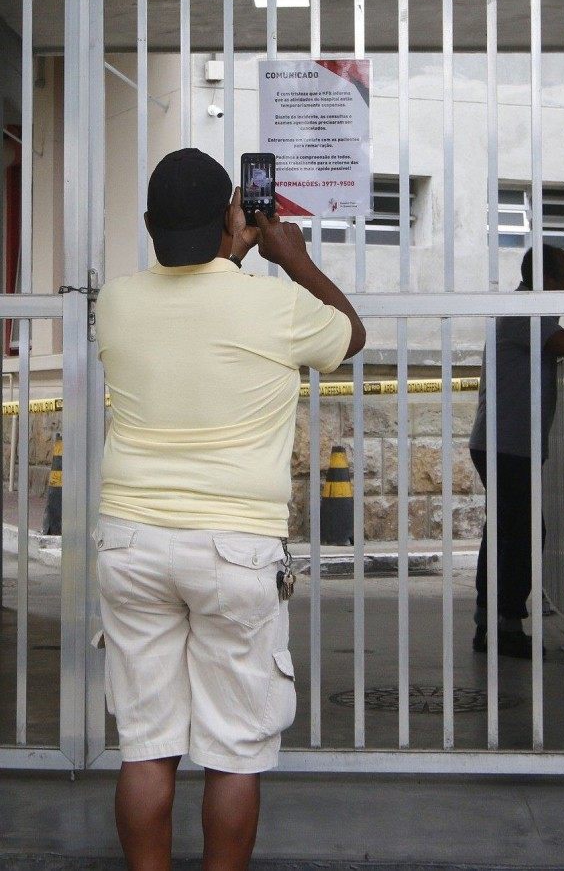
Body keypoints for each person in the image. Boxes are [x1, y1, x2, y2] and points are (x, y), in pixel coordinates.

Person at [93, 148, 365, 871]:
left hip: (131, 543)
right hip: (232, 549)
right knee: (233, 751)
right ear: (231, 215)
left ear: (148, 224)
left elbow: (190, 318)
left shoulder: (114, 303)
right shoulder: (272, 305)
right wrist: (291, 256)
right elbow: (349, 334)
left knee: (147, 746)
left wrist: (222, 256)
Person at [468, 243, 564, 659]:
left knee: (506, 532)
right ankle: (505, 626)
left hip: (506, 443)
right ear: (545, 279)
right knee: (524, 532)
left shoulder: (530, 311)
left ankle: (490, 624)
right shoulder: (525, 311)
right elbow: (563, 344)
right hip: (506, 445)